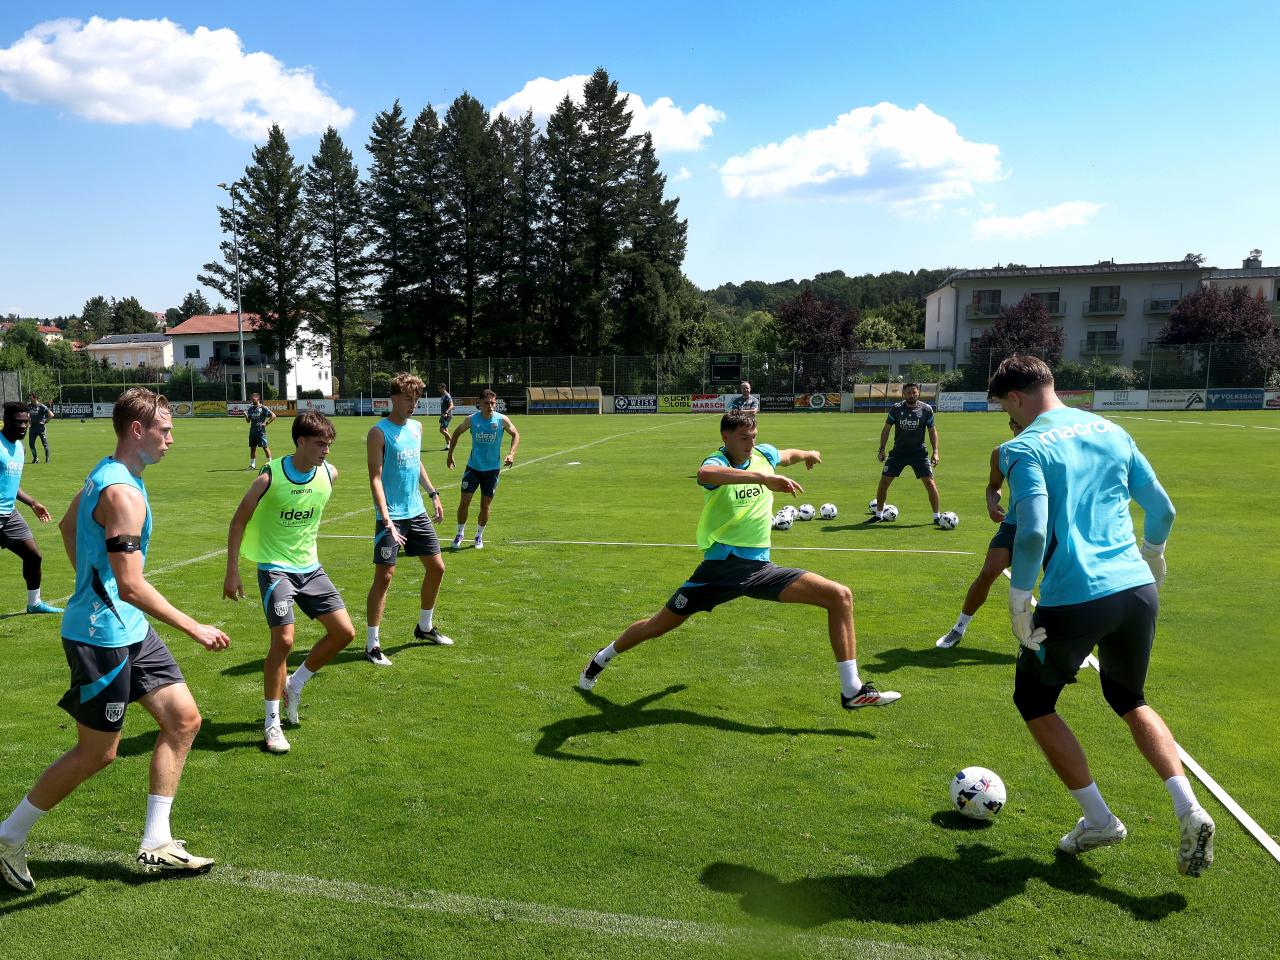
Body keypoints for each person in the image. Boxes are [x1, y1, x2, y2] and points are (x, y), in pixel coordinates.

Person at [989, 354, 1214, 877]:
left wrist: (1020, 602)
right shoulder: (1113, 430)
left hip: (1075, 596)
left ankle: (1099, 820)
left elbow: (1034, 532)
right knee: (1129, 698)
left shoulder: (1024, 447)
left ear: (1017, 398)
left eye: (1006, 407)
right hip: (1136, 589)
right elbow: (1163, 511)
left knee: (1034, 699)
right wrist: (1153, 554)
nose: (1010, 418)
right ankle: (1189, 807)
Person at [0, 388, 230, 892]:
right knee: (98, 753)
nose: (171, 438)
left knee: (184, 720)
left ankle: (157, 841)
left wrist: (90, 579)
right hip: (101, 637)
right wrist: (196, 627)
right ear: (137, 430)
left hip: (129, 628)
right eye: (165, 429)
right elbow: (131, 584)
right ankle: (7, 837)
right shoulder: (121, 493)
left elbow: (65, 525)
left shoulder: (112, 475)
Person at [579, 409, 901, 711]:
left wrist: (808, 454)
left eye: (754, 437)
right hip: (720, 568)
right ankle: (601, 659)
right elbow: (706, 473)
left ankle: (852, 691)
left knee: (839, 596)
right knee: (656, 626)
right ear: (726, 437)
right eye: (745, 438)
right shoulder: (716, 462)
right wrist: (762, 479)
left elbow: (785, 455)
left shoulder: (763, 455)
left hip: (758, 569)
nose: (751, 444)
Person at [224, 410, 355, 754]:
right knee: (284, 640)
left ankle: (294, 685)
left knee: (344, 633)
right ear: (300, 442)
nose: (326, 450)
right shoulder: (269, 478)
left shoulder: (329, 474)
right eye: (320, 444)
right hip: (275, 568)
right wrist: (232, 570)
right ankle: (272, 723)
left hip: (311, 568)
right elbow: (238, 522)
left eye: (329, 444)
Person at [365, 373, 453, 667]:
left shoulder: (416, 428)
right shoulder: (378, 432)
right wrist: (386, 517)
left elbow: (416, 463)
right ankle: (372, 644)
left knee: (437, 568)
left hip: (416, 511)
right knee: (385, 577)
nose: (413, 404)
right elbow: (375, 478)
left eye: (416, 399)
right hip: (392, 516)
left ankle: (424, 627)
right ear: (393, 398)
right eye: (407, 398)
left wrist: (433, 493)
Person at [935, 417, 1022, 648]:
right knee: (988, 573)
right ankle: (958, 628)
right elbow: (994, 486)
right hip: (1013, 524)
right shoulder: (1002, 453)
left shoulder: (1052, 450)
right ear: (1011, 426)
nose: (1019, 429)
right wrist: (992, 504)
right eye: (1015, 425)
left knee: (1057, 582)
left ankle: (1068, 641)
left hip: (1050, 525)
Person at [0, 403, 63, 614]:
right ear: (6, 420)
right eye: (19, 422)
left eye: (26, 422)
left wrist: (32, 502)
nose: (24, 426)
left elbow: (11, 483)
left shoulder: (20, 448)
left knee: (33, 555)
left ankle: (34, 603)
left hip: (9, 516)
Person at [447, 389, 519, 551]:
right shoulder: (472, 420)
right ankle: (460, 533)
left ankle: (479, 535)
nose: (490, 406)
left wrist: (511, 454)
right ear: (479, 403)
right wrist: (450, 454)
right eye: (486, 403)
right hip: (473, 468)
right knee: (464, 502)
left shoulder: (501, 420)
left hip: (492, 470)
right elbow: (456, 433)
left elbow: (515, 434)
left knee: (485, 505)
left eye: (493, 403)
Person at [868, 383, 943, 525]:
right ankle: (878, 515)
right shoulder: (896, 409)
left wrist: (935, 451)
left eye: (914, 392)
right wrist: (882, 449)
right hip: (898, 453)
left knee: (930, 484)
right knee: (884, 482)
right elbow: (886, 429)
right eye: (908, 393)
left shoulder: (926, 410)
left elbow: (932, 431)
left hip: (919, 454)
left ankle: (936, 517)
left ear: (918, 393)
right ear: (904, 394)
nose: (911, 395)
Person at [244, 393, 276, 469]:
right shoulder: (250, 409)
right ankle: (252, 465)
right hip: (252, 431)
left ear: (258, 399)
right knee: (252, 448)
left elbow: (273, 416)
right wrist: (246, 416)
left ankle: (270, 464)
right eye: (251, 399)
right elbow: (248, 421)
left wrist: (266, 423)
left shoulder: (263, 408)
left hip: (261, 431)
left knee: (265, 447)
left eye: (253, 399)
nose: (252, 400)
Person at [26, 393, 54, 464]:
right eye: (29, 398)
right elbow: (27, 415)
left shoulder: (42, 406)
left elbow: (51, 415)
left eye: (31, 398)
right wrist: (28, 421)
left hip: (41, 429)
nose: (30, 399)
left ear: (35, 398)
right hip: (32, 429)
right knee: (31, 444)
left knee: (45, 444)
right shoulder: (29, 406)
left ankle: (47, 459)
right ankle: (35, 459)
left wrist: (46, 421)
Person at [437, 383, 455, 451]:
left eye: (439, 388)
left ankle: (452, 442)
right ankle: (449, 445)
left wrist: (446, 412)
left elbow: (451, 405)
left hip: (447, 415)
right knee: (445, 430)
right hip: (444, 415)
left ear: (443, 388)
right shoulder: (443, 396)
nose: (438, 390)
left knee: (442, 430)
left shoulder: (447, 395)